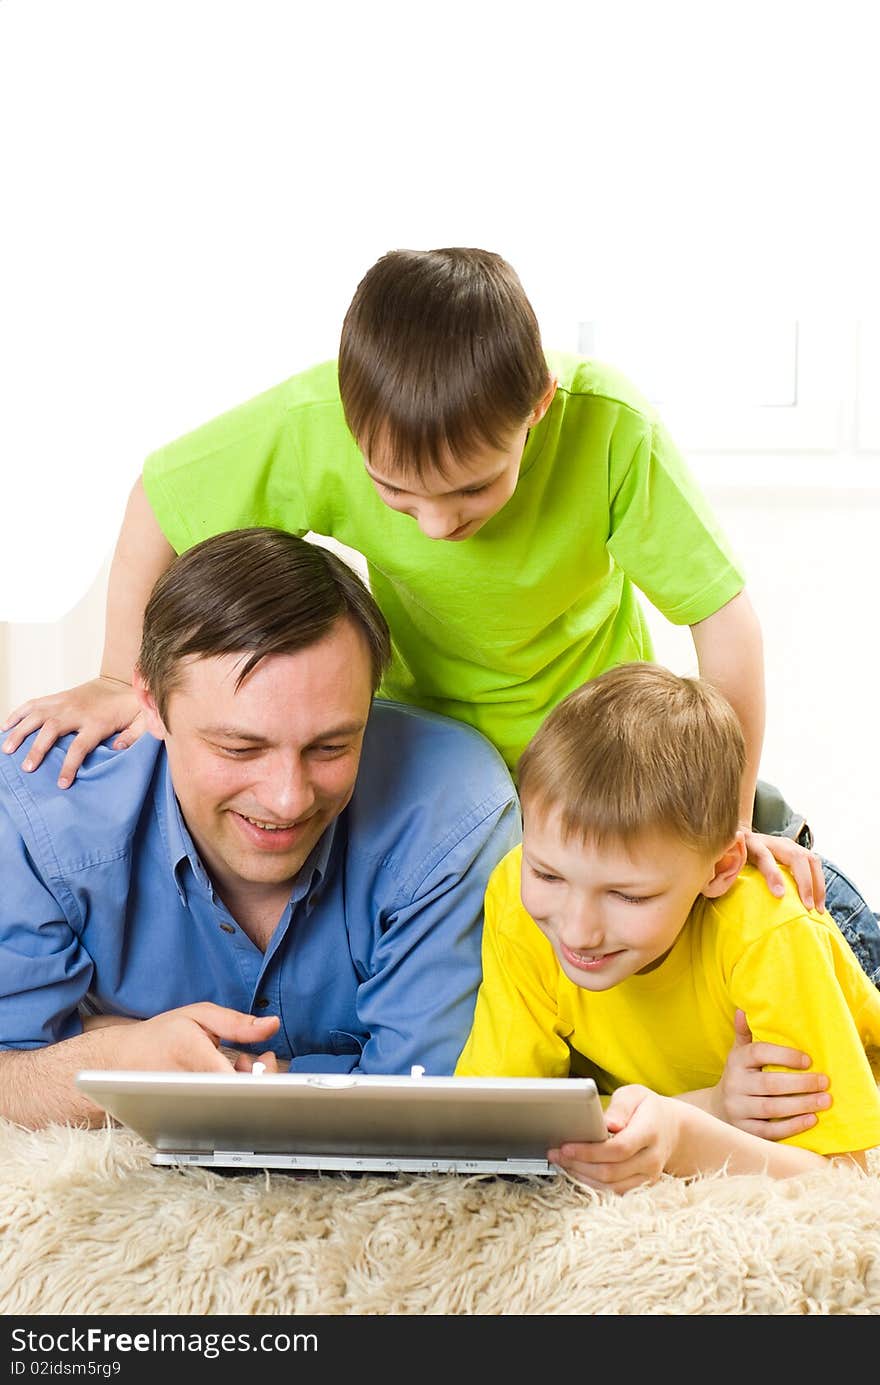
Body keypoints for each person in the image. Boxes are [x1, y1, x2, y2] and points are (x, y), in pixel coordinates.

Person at [0, 247, 826, 911]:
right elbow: (161, 499)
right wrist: (119, 676)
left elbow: (725, 622)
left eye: (472, 489)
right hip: (427, 735)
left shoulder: (610, 426)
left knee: (718, 903)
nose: (438, 523)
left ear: (537, 407)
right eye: (397, 494)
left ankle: (775, 822)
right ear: (353, 425)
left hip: (590, 735)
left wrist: (732, 814)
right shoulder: (315, 420)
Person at [0, 528, 520, 1130]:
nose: (287, 798)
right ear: (149, 701)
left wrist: (150, 1067)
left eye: (330, 746)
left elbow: (424, 1096)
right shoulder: (38, 806)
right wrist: (120, 1058)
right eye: (239, 748)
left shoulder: (455, 812)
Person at [455, 663, 880, 1192]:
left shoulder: (769, 936)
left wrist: (685, 1139)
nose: (579, 931)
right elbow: (500, 1114)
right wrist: (709, 1107)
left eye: (627, 895)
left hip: (838, 930)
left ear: (721, 868)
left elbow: (847, 1178)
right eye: (546, 873)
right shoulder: (516, 899)